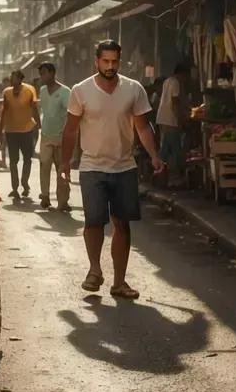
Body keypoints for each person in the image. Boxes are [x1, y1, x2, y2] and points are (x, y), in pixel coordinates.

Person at [61, 40, 165, 300]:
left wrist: (154, 155)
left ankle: (119, 282)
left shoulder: (133, 89)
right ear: (96, 61)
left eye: (114, 62)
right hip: (92, 166)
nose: (110, 66)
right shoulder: (80, 90)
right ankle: (94, 270)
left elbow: (142, 127)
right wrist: (64, 162)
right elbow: (71, 129)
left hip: (124, 166)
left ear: (120, 61)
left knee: (122, 224)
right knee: (93, 221)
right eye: (105, 61)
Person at [0, 70, 40, 200]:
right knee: (13, 160)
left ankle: (25, 184)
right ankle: (15, 187)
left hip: (27, 129)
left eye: (14, 77)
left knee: (27, 159)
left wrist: (39, 124)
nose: (12, 79)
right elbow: (4, 110)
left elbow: (34, 108)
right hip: (11, 130)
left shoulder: (29, 90)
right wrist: (0, 129)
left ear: (20, 79)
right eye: (11, 77)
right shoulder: (7, 92)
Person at [36, 62, 71, 211]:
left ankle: (63, 201)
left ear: (52, 73)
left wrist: (67, 134)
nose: (42, 77)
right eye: (41, 74)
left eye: (44, 73)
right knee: (44, 166)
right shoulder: (43, 90)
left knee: (61, 169)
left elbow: (70, 115)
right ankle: (45, 196)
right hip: (45, 135)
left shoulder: (65, 92)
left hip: (61, 136)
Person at [156, 62, 191, 188]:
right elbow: (175, 102)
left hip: (162, 119)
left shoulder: (167, 81)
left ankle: (159, 175)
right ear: (182, 73)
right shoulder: (176, 83)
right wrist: (180, 120)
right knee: (174, 151)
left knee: (165, 149)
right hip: (171, 120)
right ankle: (174, 179)